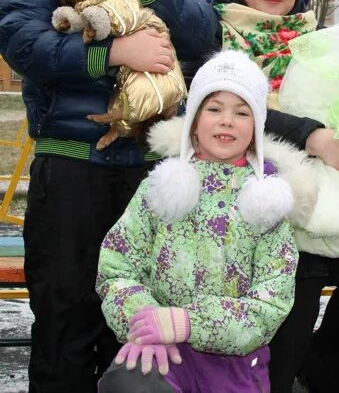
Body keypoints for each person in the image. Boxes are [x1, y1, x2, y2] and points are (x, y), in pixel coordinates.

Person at [0, 0, 220, 392]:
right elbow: (23, 43)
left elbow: (202, 34)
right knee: (66, 318)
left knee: (139, 323)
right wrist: (115, 55)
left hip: (147, 175)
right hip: (70, 171)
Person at [211, 0, 339, 392]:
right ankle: (281, 380)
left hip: (325, 188)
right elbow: (235, 106)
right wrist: (312, 134)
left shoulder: (313, 39)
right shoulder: (218, 31)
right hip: (247, 186)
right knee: (299, 284)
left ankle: (315, 378)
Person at [96, 50, 298, 392]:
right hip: (163, 356)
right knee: (129, 384)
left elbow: (271, 301)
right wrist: (148, 323)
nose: (227, 121)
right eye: (214, 108)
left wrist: (189, 322)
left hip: (235, 366)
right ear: (193, 122)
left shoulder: (265, 207)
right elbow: (117, 264)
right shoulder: (159, 190)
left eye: (242, 112)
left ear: (257, 127)